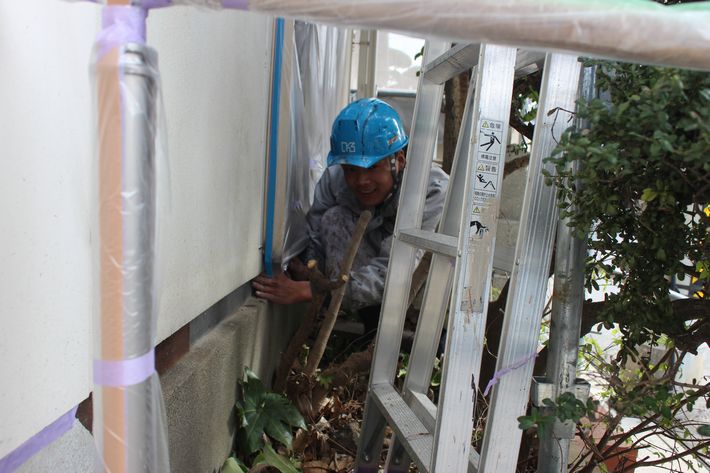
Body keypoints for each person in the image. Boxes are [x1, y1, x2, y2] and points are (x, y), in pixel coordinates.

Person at [252, 98, 448, 334]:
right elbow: (315, 237)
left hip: (424, 296)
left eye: (373, 168)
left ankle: (401, 332)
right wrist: (305, 270)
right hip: (363, 293)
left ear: (399, 161)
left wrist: (309, 292)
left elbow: (398, 270)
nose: (361, 181)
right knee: (334, 218)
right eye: (351, 170)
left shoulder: (431, 191)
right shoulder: (334, 180)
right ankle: (363, 326)